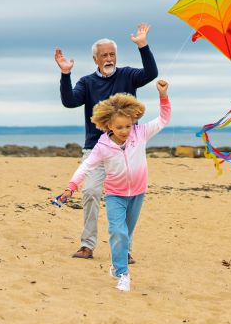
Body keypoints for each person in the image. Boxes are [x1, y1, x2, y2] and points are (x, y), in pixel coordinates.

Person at [55, 23, 158, 260]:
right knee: (90, 192)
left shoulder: (128, 75)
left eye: (112, 54)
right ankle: (87, 245)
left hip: (126, 149)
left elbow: (151, 74)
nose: (109, 58)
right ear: (95, 59)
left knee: (128, 199)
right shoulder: (87, 82)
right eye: (104, 55)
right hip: (96, 148)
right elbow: (70, 102)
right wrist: (65, 74)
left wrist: (143, 46)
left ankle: (125, 249)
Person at [57, 80, 171, 292]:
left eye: (128, 126)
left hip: (138, 194)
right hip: (115, 196)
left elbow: (164, 119)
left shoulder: (141, 133)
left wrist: (163, 96)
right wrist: (71, 186)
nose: (125, 131)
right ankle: (122, 274)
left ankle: (116, 267)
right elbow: (86, 167)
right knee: (117, 232)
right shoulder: (102, 146)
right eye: (119, 127)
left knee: (126, 234)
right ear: (108, 125)